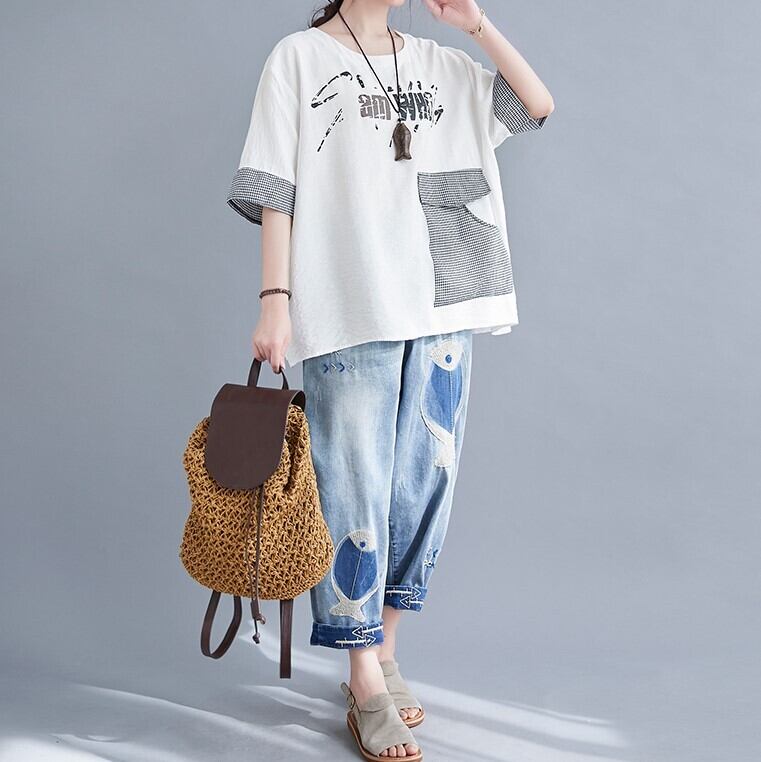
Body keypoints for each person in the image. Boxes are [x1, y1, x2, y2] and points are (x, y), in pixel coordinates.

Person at [226, 0, 553, 757]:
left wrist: (475, 24)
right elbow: (274, 186)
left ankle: (385, 649)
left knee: (424, 481)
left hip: (442, 299)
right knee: (354, 484)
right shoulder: (299, 58)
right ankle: (362, 674)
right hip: (349, 301)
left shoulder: (439, 61)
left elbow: (535, 105)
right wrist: (274, 300)